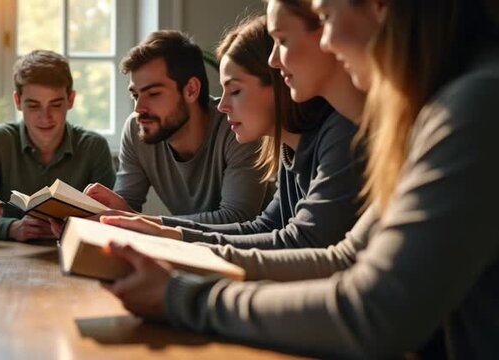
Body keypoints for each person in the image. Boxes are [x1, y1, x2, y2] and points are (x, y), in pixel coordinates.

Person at [100, 0, 499, 357]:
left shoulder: (475, 105)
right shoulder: (436, 113)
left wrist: (181, 295)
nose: (325, 42)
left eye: (325, 17)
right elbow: (342, 257)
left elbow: (373, 312)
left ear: (380, 7)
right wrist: (168, 246)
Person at [100, 15, 366, 250]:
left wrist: (168, 238)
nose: (223, 105)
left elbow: (299, 241)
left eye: (235, 90)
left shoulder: (340, 133)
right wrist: (167, 233)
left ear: (279, 81)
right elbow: (266, 228)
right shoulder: (289, 149)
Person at [83, 31, 271, 225]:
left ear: (191, 90)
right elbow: (123, 209)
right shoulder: (137, 129)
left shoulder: (238, 127)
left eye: (154, 94)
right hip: (187, 249)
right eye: (136, 95)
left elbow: (236, 218)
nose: (139, 109)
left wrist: (140, 221)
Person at [0, 50, 115, 241]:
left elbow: (111, 219)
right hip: (8, 257)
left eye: (55, 105)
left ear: (71, 99)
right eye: (33, 106)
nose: (45, 117)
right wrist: (11, 228)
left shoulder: (94, 147)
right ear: (18, 102)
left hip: (77, 252)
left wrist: (70, 227)